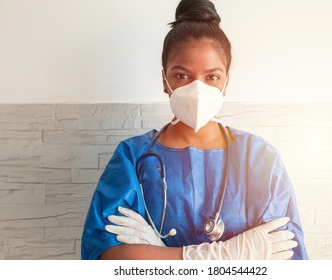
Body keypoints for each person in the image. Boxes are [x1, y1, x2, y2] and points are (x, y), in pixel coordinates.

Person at [81, 0, 308, 260]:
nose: (198, 89)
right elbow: (107, 256)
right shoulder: (133, 158)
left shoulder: (260, 159)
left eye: (212, 77)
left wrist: (159, 256)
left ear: (226, 82)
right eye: (181, 76)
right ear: (164, 81)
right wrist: (214, 257)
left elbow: (284, 255)